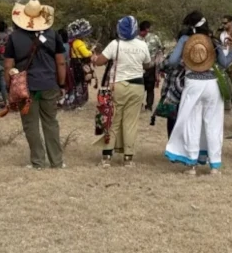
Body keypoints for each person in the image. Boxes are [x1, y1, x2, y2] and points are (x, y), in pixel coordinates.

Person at [165, 12, 232, 176]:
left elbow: (173, 61)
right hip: (212, 85)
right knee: (213, 124)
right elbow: (224, 63)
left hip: (193, 84)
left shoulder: (185, 40)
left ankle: (191, 165)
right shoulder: (213, 41)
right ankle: (215, 166)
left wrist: (186, 59)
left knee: (192, 123)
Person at [4, 0, 67, 170]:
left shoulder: (14, 37)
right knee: (51, 122)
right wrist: (61, 84)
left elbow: (8, 66)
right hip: (49, 84)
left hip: (26, 87)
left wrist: (10, 86)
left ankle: (38, 161)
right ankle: (57, 161)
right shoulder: (54, 35)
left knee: (30, 124)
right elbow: (61, 63)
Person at [91, 16, 152, 167]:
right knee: (131, 122)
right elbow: (147, 64)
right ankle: (128, 158)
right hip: (137, 85)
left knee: (113, 120)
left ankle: (106, 157)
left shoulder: (115, 44)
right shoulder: (142, 44)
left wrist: (93, 57)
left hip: (118, 85)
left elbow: (100, 62)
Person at [64, 19, 94, 110]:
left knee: (76, 82)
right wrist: (91, 51)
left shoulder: (74, 42)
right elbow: (86, 54)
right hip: (79, 64)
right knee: (80, 82)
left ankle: (74, 100)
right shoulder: (79, 42)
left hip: (74, 63)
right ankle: (78, 101)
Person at [139, 20, 164, 112]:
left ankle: (144, 105)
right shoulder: (154, 38)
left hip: (145, 66)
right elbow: (161, 49)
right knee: (145, 88)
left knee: (145, 87)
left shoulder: (137, 38)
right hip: (144, 67)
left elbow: (160, 49)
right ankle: (144, 105)